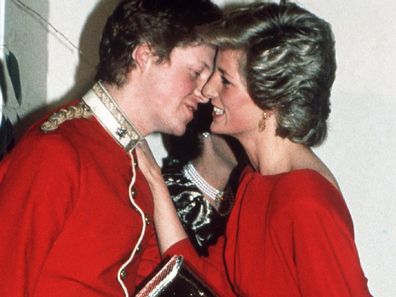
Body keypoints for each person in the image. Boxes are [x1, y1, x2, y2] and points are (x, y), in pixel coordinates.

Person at [136, 1, 372, 296]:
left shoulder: (305, 199)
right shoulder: (253, 182)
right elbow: (208, 283)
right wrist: (156, 184)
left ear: (270, 100)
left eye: (225, 81)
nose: (208, 91)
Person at [0, 0, 221, 296]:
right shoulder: (56, 151)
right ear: (145, 56)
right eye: (196, 72)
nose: (205, 93)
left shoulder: (136, 167)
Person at [162, 102, 246, 256]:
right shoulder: (165, 196)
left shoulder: (247, 195)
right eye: (239, 129)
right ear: (206, 131)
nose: (250, 138)